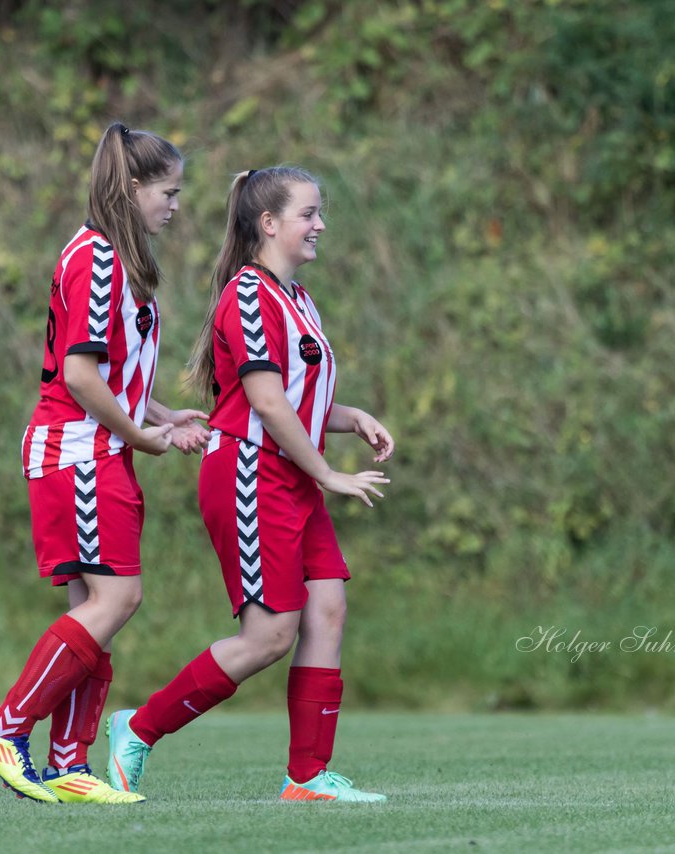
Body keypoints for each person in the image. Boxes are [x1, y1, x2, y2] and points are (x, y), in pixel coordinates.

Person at [106, 166, 395, 803]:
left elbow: (301, 399)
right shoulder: (247, 295)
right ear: (268, 224)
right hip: (250, 477)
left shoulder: (297, 297)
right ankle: (138, 727)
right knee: (267, 637)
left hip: (293, 477)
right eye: (309, 214)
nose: (321, 225)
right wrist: (327, 472)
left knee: (327, 609)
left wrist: (353, 419)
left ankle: (308, 777)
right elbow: (264, 403)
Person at [0, 121, 210, 805]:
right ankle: (6, 728)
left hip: (92, 449)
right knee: (118, 598)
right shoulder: (97, 257)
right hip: (78, 452)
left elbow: (111, 371)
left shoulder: (112, 259)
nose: (176, 205)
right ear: (131, 189)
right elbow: (78, 375)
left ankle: (68, 763)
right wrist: (141, 433)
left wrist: (162, 415)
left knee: (95, 608)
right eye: (169, 191)